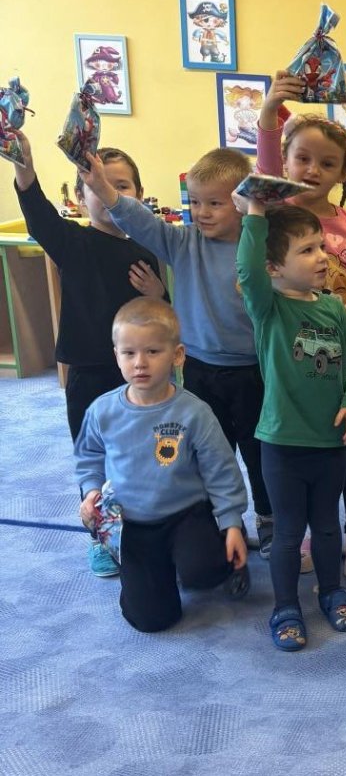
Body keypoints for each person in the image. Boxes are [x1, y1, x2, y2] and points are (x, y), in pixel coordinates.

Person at [83, 146, 274, 557]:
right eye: (196, 202)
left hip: (254, 370)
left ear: (240, 202)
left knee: (260, 453)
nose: (202, 212)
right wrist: (103, 188)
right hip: (200, 369)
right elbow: (139, 221)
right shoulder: (183, 241)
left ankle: (267, 516)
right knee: (205, 454)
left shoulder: (258, 245)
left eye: (215, 203)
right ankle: (222, 523)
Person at [11, 131, 165, 577]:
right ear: (80, 198)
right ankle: (99, 534)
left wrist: (158, 293)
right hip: (90, 371)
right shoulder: (73, 241)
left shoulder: (146, 249)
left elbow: (164, 320)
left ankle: (147, 522)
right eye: (95, 184)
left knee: (145, 449)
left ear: (138, 194)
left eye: (120, 185)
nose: (106, 190)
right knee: (93, 454)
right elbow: (39, 217)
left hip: (141, 374)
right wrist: (24, 166)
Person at [258, 76, 346, 578]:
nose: (313, 170)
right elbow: (263, 169)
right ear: (287, 161)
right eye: (303, 159)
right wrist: (269, 113)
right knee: (305, 448)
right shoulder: (276, 216)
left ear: (342, 174)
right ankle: (312, 531)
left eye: (327, 163)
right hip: (294, 357)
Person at [75, 297, 249, 632]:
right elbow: (88, 456)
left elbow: (221, 469)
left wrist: (230, 522)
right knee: (152, 620)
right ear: (117, 355)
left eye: (153, 351)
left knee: (203, 571)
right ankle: (149, 574)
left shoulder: (194, 412)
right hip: (134, 523)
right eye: (129, 353)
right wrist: (91, 491)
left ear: (177, 355)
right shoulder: (102, 411)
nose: (140, 363)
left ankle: (219, 550)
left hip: (187, 514)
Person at [236, 198, 346, 651]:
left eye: (321, 246)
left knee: (328, 525)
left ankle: (332, 590)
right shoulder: (267, 307)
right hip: (282, 444)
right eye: (307, 250)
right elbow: (247, 269)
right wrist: (255, 213)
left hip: (329, 441)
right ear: (274, 267)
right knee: (289, 533)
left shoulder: (335, 308)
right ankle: (285, 606)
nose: (322, 257)